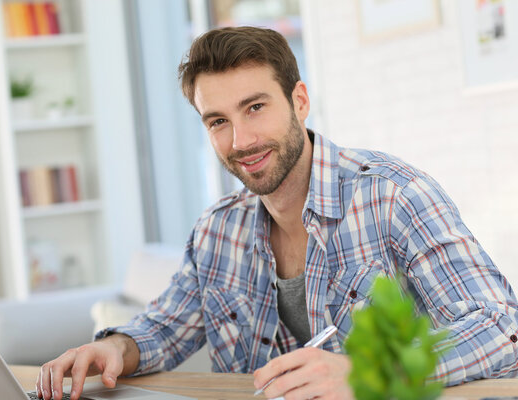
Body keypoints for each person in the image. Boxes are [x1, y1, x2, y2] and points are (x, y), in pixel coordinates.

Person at [36, 26, 518, 400]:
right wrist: (114, 348)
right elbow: (164, 328)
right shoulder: (217, 230)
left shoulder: (393, 195)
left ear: (299, 101)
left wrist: (371, 372)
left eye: (255, 107)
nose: (240, 141)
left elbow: (503, 328)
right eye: (218, 121)